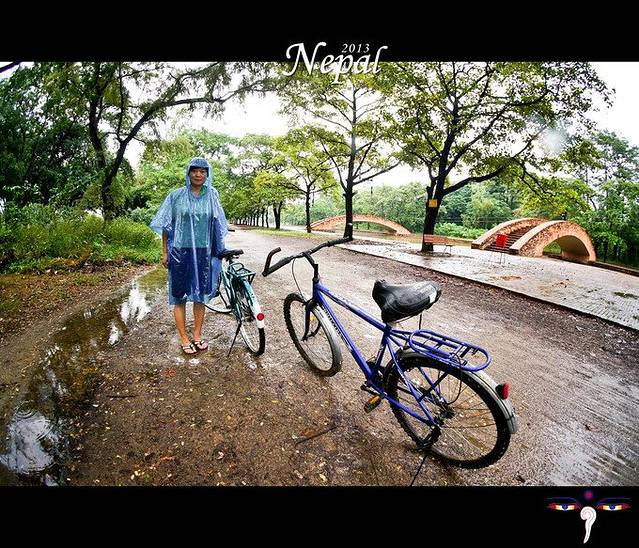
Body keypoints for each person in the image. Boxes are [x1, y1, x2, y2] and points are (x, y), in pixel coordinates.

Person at [149, 157, 228, 355]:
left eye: (203, 171)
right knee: (179, 296)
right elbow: (166, 225)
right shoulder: (176, 196)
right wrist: (165, 252)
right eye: (195, 171)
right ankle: (184, 337)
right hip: (180, 252)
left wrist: (219, 250)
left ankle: (197, 335)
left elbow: (218, 224)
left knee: (200, 296)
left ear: (207, 174)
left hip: (203, 252)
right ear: (188, 172)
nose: (198, 174)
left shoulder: (212, 195)